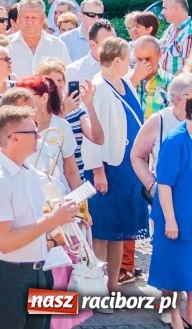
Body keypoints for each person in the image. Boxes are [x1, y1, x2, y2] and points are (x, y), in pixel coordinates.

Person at [0, 106, 77, 329]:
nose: (39, 137)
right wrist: (53, 221)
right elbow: (6, 242)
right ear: (15, 138)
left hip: (37, 273)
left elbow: (32, 225)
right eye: (33, 132)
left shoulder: (29, 173)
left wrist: (58, 229)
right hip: (7, 278)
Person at [81, 37, 149, 295]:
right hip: (107, 170)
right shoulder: (98, 88)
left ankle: (112, 287)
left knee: (120, 231)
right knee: (102, 231)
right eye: (128, 58)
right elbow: (93, 135)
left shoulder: (123, 83)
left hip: (126, 169)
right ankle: (97, 290)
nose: (131, 63)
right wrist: (98, 171)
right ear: (117, 60)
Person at [147, 106, 192, 329]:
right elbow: (164, 184)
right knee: (172, 271)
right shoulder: (175, 141)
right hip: (173, 217)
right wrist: (171, 220)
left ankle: (189, 317)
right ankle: (175, 319)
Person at [17, 75, 83, 191]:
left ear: (44, 98)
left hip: (57, 195)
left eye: (27, 97)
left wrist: (81, 202)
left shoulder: (62, 126)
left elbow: (71, 170)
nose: (21, 102)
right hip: (27, 194)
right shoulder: (15, 126)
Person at [9, 0, 70, 78]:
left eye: (34, 17)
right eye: (25, 17)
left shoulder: (58, 46)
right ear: (18, 18)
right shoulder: (6, 46)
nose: (29, 22)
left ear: (43, 18)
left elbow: (67, 77)